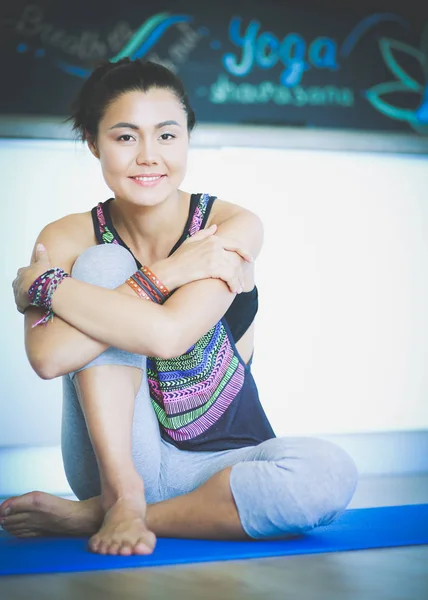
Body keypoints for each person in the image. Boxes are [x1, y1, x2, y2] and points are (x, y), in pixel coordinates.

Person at [0, 59, 358, 556]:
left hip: (221, 463)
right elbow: (47, 358)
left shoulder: (229, 226)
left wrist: (48, 288)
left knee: (329, 473)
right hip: (117, 460)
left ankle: (93, 516)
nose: (149, 156)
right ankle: (121, 496)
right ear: (92, 141)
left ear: (187, 137)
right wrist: (164, 274)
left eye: (167, 136)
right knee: (104, 264)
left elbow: (170, 335)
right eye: (125, 138)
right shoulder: (67, 237)